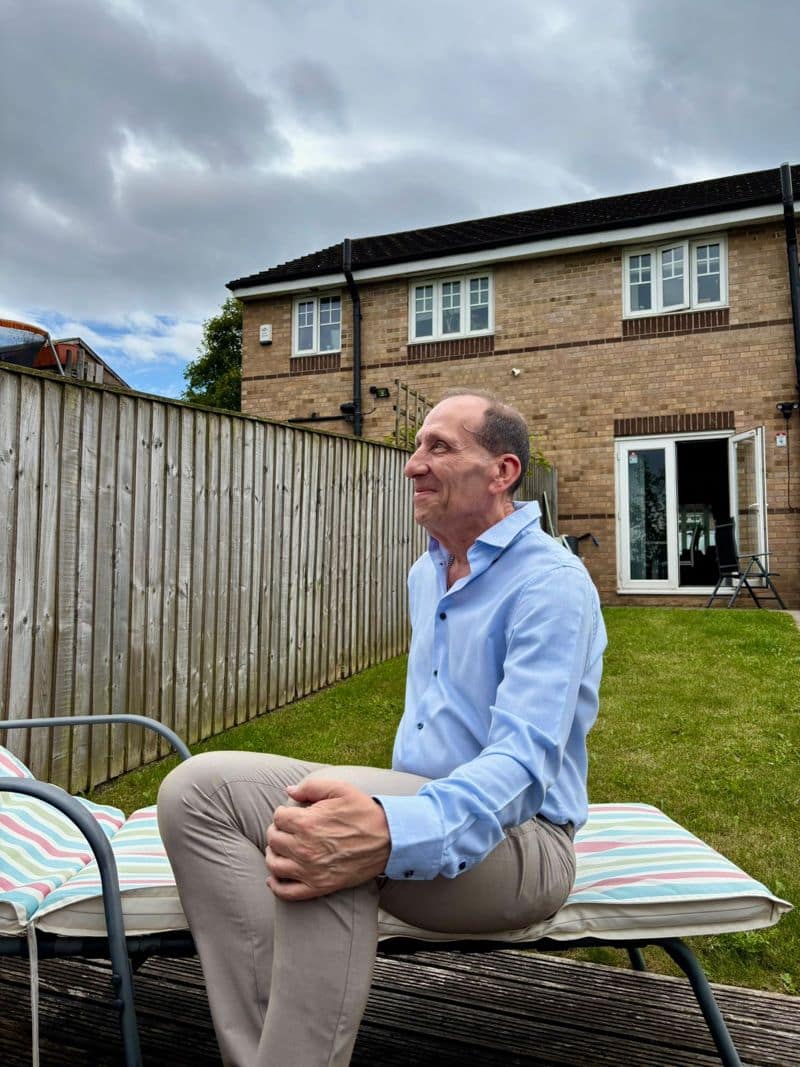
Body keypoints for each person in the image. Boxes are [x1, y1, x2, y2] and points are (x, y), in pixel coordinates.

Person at [157, 390, 606, 1067]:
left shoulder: (551, 584)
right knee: (195, 791)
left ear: (503, 471)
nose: (412, 464)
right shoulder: (427, 573)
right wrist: (387, 816)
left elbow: (521, 768)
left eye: (439, 446)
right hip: (426, 805)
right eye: (417, 446)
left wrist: (392, 829)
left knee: (326, 829)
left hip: (522, 845)